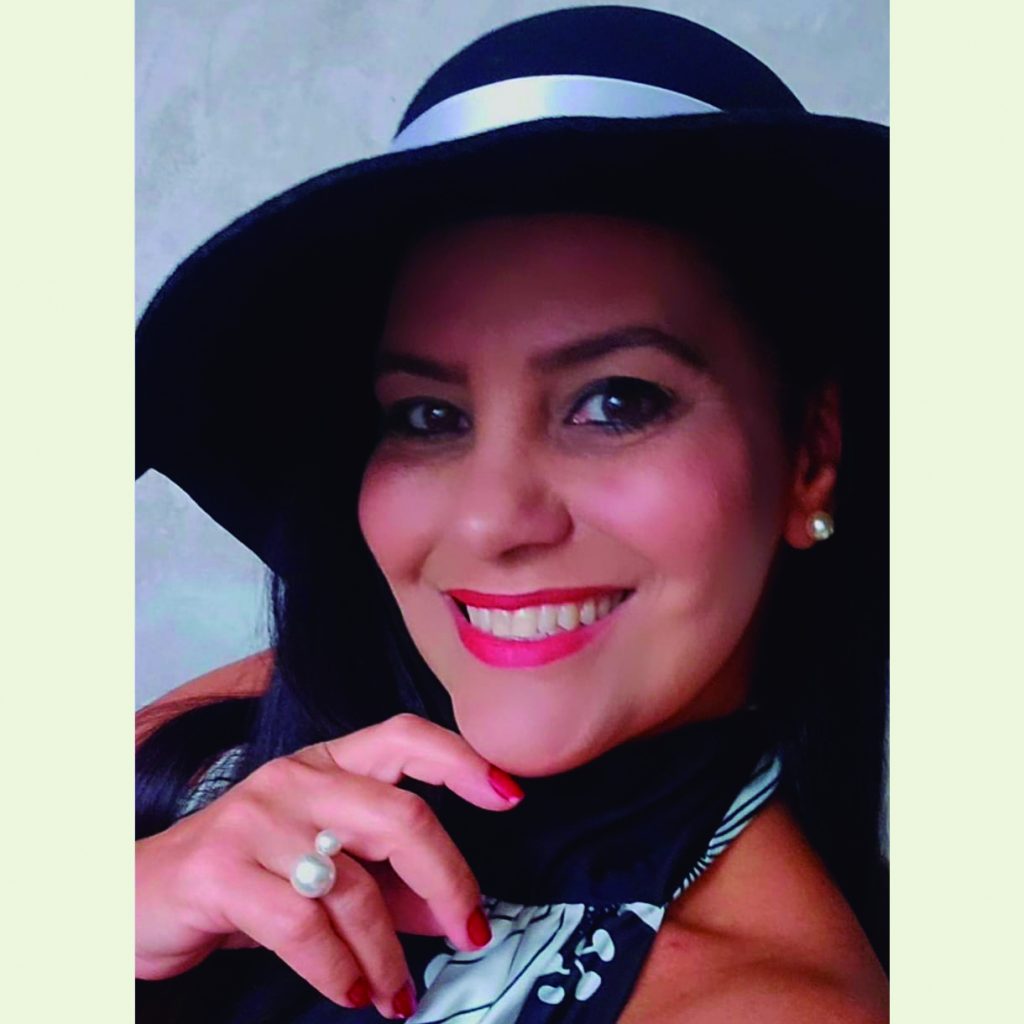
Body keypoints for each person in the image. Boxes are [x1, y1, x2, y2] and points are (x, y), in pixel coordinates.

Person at [135, 6, 889, 1022]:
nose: (494, 521)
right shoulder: (251, 719)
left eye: (616, 401)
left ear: (810, 459)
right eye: (428, 415)